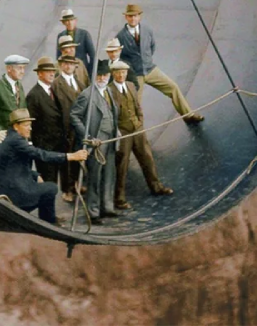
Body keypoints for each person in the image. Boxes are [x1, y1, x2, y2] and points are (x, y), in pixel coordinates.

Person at [0, 109, 88, 225]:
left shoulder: (11, 137)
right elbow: (40, 154)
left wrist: (35, 175)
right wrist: (71, 156)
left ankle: (47, 220)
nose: (30, 128)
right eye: (26, 125)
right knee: (51, 188)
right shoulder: (16, 140)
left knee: (46, 188)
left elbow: (14, 164)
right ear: (16, 126)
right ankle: (48, 223)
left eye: (30, 125)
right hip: (10, 191)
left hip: (5, 187)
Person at [116, 3, 204, 124]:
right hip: (136, 75)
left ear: (139, 16)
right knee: (135, 103)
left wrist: (146, 61)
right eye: (130, 16)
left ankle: (188, 115)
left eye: (135, 16)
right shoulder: (120, 36)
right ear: (126, 17)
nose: (133, 19)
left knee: (173, 87)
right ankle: (135, 133)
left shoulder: (147, 30)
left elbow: (152, 47)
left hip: (150, 70)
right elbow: (120, 58)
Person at [109, 60, 173, 208]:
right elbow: (109, 114)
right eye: (118, 72)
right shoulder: (109, 90)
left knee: (147, 159)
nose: (121, 75)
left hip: (137, 130)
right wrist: (116, 131)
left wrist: (140, 123)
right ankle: (119, 198)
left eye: (123, 72)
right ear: (113, 73)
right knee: (122, 165)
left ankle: (156, 187)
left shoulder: (131, 85)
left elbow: (138, 106)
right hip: (123, 133)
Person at [70, 60, 120, 223]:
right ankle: (93, 212)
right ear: (94, 76)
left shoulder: (109, 92)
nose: (102, 78)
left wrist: (116, 130)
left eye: (105, 75)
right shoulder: (86, 94)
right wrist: (88, 137)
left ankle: (107, 207)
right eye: (98, 75)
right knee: (94, 178)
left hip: (110, 139)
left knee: (109, 175)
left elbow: (112, 114)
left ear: (109, 76)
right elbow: (74, 116)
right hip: (96, 141)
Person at [25, 57, 72, 191]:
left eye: (53, 71)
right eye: (48, 71)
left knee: (55, 183)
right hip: (45, 149)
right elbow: (30, 124)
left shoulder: (53, 90)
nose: (52, 74)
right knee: (48, 184)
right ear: (39, 74)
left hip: (58, 145)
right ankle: (47, 212)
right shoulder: (34, 95)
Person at [52, 54, 82, 201]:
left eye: (71, 64)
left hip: (78, 126)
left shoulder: (77, 81)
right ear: (61, 65)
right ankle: (67, 190)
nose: (68, 66)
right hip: (65, 127)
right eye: (66, 64)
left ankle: (75, 183)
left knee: (78, 156)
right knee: (66, 159)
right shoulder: (56, 84)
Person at [0, 55, 29, 143]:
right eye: (19, 68)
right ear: (9, 68)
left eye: (23, 68)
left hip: (20, 137)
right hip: (6, 139)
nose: (23, 71)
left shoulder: (19, 85)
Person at [55, 8, 96, 78]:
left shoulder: (84, 34)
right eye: (67, 21)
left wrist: (89, 72)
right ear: (63, 23)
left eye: (71, 20)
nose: (69, 23)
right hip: (66, 71)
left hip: (81, 71)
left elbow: (93, 56)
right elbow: (59, 56)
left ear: (75, 21)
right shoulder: (61, 36)